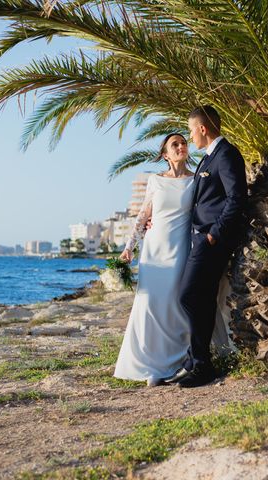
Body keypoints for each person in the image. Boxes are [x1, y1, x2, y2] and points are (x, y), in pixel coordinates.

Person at [165, 105, 248, 388]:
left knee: (189, 295)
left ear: (202, 128)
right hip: (201, 238)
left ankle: (201, 364)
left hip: (212, 240)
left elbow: (237, 198)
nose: (190, 136)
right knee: (200, 298)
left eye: (190, 130)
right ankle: (196, 361)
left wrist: (215, 233)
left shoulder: (226, 155)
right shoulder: (207, 159)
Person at [113, 133, 195, 386]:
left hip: (181, 247)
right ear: (165, 154)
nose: (181, 146)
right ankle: (151, 366)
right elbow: (143, 215)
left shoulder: (196, 180)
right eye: (175, 145)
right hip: (154, 249)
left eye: (183, 143)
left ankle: (178, 360)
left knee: (174, 301)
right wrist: (129, 247)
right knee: (150, 305)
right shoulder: (155, 180)